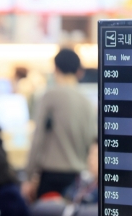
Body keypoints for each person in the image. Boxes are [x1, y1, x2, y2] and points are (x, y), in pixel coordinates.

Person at [23, 48, 97, 200]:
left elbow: (38, 138)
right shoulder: (88, 103)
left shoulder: (48, 97)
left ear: (55, 69)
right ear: (79, 71)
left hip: (50, 176)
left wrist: (29, 176)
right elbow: (92, 141)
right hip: (77, 178)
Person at [64, 140, 98, 205]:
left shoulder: (106, 191)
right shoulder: (83, 179)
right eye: (90, 154)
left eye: (95, 155)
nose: (90, 158)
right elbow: (67, 195)